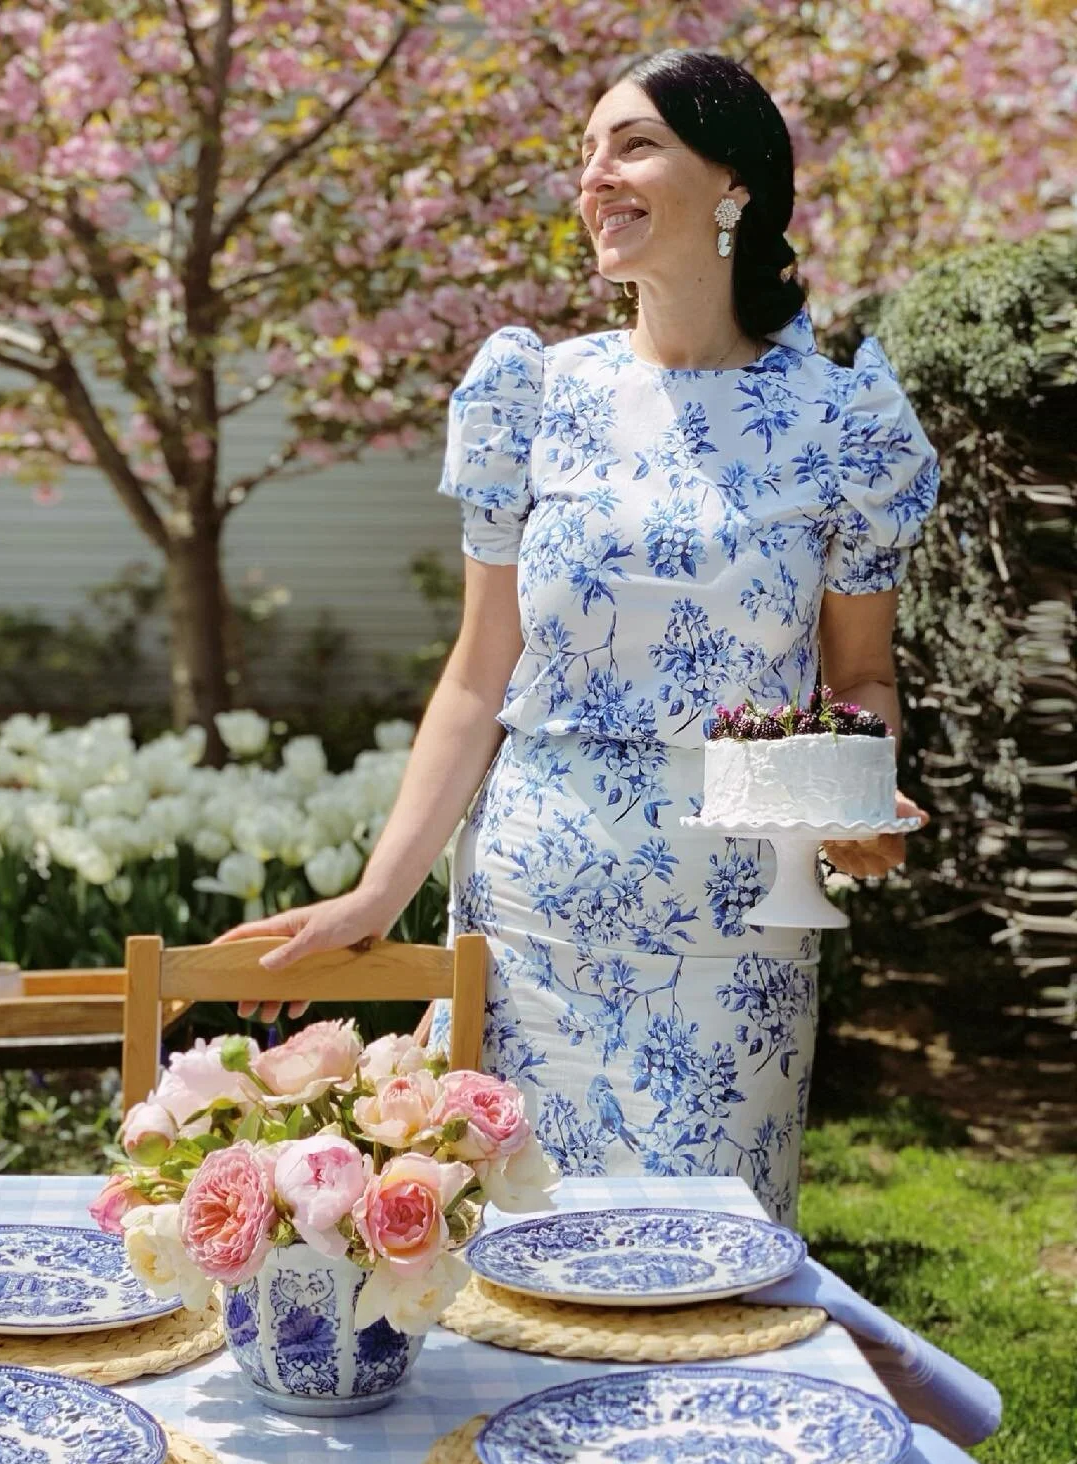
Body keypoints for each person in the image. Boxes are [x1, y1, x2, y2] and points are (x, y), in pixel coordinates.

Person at [215, 47, 939, 1224]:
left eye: (633, 144)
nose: (594, 177)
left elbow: (859, 676)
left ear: (736, 185)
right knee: (511, 1272)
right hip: (525, 919)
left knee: (704, 1279)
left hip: (736, 922)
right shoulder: (535, 394)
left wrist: (853, 798)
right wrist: (375, 894)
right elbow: (476, 674)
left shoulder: (844, 420)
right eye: (586, 153)